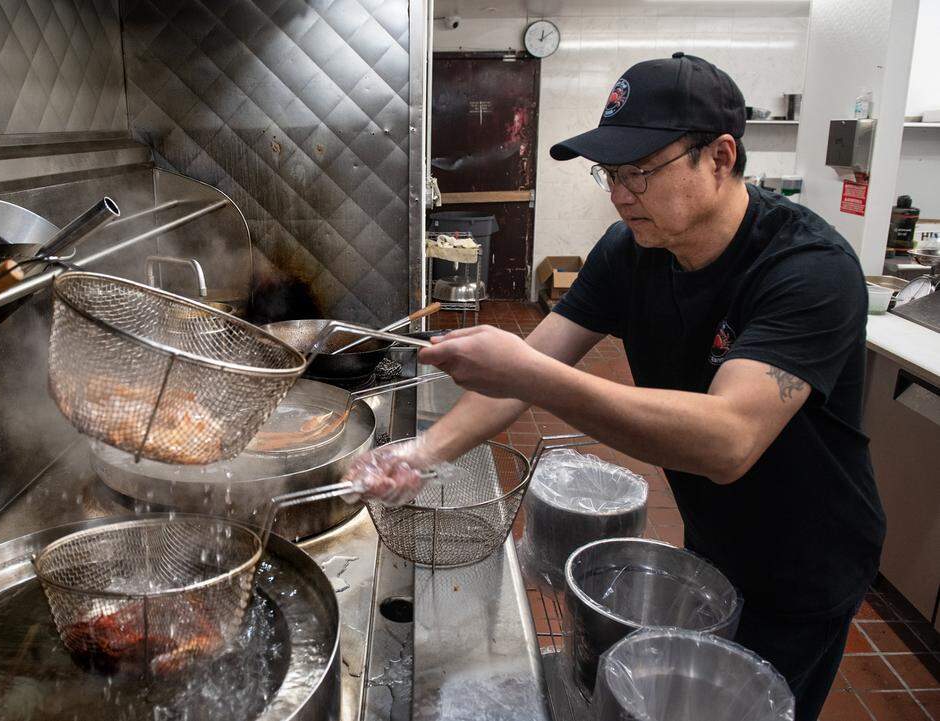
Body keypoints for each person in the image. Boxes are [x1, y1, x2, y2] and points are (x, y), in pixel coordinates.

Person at [346, 53, 885, 721]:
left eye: (641, 171)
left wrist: (531, 373)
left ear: (720, 157)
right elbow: (533, 363)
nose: (621, 192)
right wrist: (423, 452)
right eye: (611, 173)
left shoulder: (808, 269)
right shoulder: (632, 252)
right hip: (715, 537)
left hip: (809, 556)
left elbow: (729, 439)